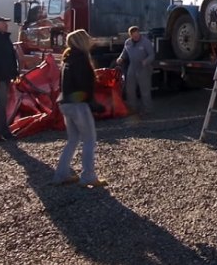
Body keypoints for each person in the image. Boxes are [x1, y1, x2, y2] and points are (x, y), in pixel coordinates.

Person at [53, 29, 107, 187]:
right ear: (82, 41)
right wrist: (92, 103)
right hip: (78, 105)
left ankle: (61, 174)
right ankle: (88, 176)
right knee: (89, 139)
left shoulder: (67, 58)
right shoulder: (81, 59)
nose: (90, 40)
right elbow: (84, 84)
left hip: (65, 103)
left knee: (73, 140)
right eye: (87, 38)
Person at [116, 26, 155, 116]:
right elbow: (124, 53)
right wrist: (120, 58)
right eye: (134, 36)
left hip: (143, 67)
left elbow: (152, 55)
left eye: (137, 35)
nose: (136, 37)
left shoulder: (146, 42)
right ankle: (132, 108)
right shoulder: (128, 42)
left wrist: (146, 61)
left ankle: (148, 109)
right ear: (131, 35)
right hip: (132, 67)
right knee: (130, 89)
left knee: (145, 90)